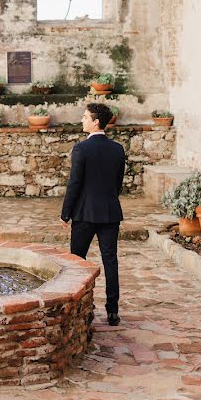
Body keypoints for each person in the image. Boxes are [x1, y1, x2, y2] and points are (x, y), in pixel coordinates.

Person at [60, 102, 126, 326]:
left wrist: (65, 213)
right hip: (110, 213)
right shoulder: (118, 149)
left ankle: (80, 307)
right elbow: (118, 184)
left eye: (85, 117)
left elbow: (74, 183)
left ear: (96, 121)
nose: (82, 120)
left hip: (84, 213)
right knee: (111, 262)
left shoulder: (81, 149)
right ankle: (113, 310)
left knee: (77, 262)